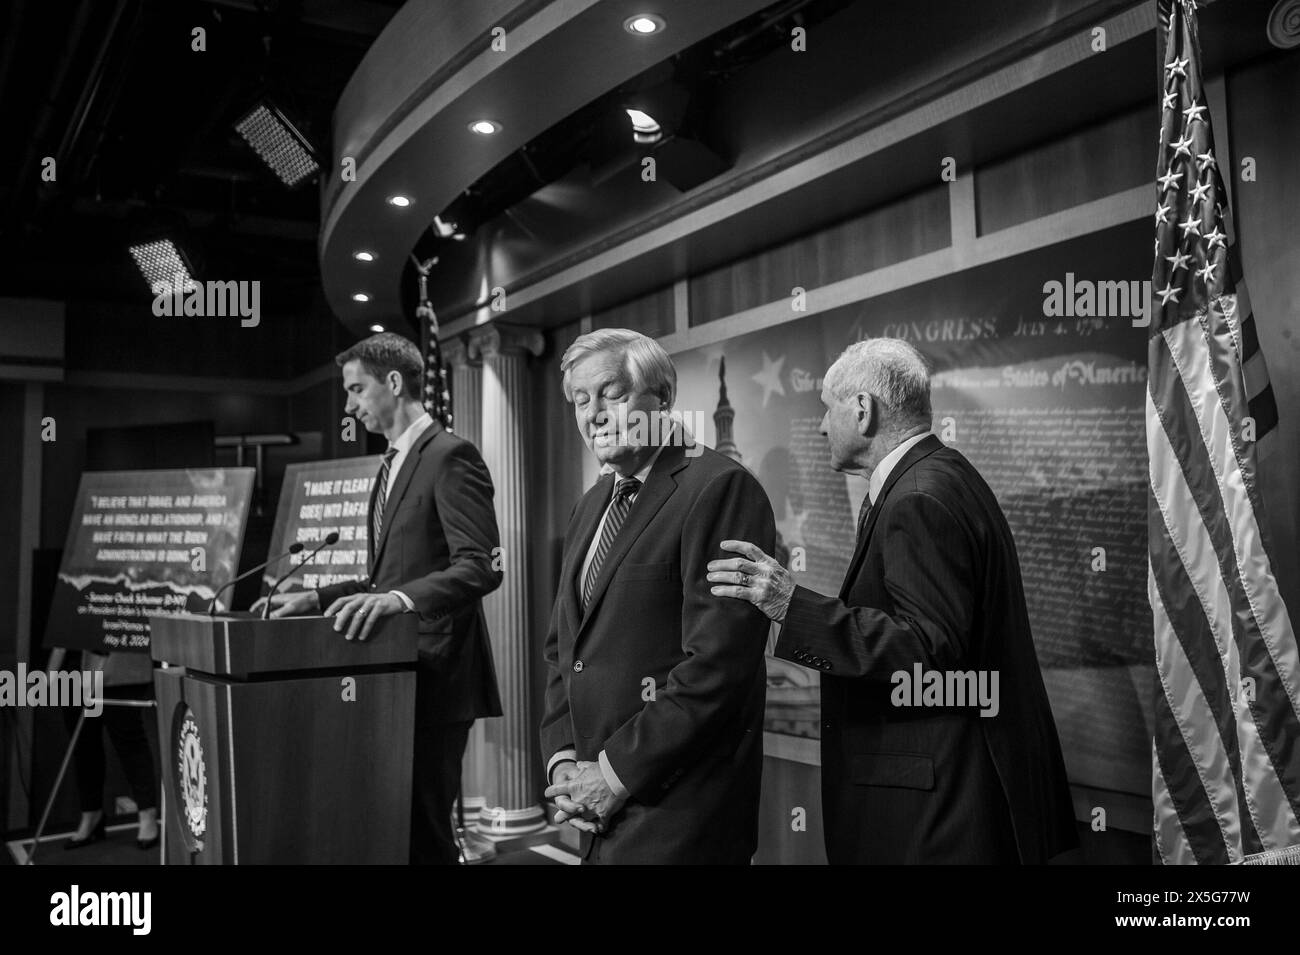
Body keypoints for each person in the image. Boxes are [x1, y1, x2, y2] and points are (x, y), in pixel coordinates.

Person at [708, 338, 1078, 864]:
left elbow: (927, 651)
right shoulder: (938, 475)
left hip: (938, 808)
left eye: (826, 408)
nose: (819, 427)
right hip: (951, 789)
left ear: (863, 411)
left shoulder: (918, 497)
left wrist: (791, 604)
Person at [257, 332, 503, 865]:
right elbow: (385, 578)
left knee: (426, 834)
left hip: (437, 676)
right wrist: (315, 599)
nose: (349, 406)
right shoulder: (389, 464)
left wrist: (398, 600)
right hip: (392, 673)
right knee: (394, 831)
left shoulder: (450, 456)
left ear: (393, 383)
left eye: (356, 389)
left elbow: (481, 565)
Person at [540, 329, 775, 864]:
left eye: (612, 394)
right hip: (593, 805)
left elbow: (717, 667)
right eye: (580, 401)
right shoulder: (590, 504)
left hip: (678, 811)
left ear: (662, 399)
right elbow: (563, 651)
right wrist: (564, 763)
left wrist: (613, 774)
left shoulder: (719, 488)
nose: (593, 414)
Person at [49, 647, 159, 851]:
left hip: (119, 657)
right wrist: (52, 670)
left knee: (129, 740)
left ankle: (147, 814)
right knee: (83, 745)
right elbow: (62, 621)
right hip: (74, 662)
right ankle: (91, 814)